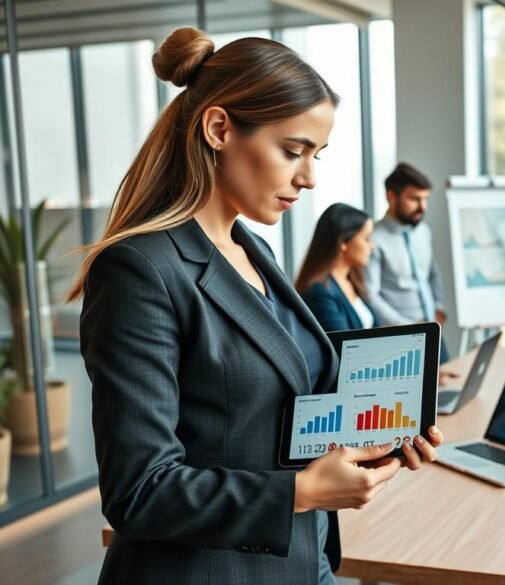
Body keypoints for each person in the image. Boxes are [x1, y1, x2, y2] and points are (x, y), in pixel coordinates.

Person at [73, 28, 442, 585]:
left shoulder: (254, 250)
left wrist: (374, 434)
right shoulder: (140, 269)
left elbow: (274, 410)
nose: (309, 177)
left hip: (304, 560)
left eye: (316, 155)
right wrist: (303, 491)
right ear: (219, 128)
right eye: (293, 151)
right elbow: (138, 489)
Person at [365, 162, 450, 362]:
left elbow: (432, 274)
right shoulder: (373, 239)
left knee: (449, 388)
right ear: (391, 196)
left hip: (434, 331)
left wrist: (439, 308)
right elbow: (370, 294)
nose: (422, 207)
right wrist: (407, 326)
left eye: (425, 199)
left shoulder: (423, 232)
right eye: (414, 199)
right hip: (401, 339)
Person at [296, 203, 379, 332]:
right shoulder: (318, 291)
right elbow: (343, 346)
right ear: (343, 242)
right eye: (366, 239)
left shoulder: (353, 280)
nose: (372, 246)